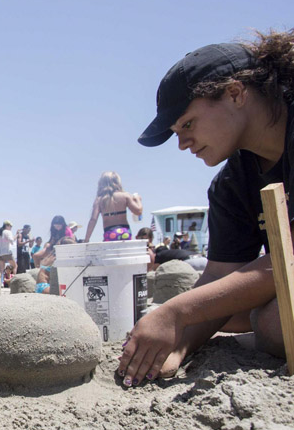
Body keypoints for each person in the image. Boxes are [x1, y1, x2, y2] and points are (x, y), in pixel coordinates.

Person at [119, 31, 294, 387]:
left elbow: (288, 261)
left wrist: (176, 311)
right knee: (228, 309)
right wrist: (178, 346)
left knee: (274, 320)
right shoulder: (233, 183)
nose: (182, 144)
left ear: (235, 93)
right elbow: (219, 277)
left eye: (187, 124)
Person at [82, 172, 144, 243]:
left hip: (110, 233)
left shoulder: (99, 199)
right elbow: (138, 211)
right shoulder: (125, 196)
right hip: (125, 232)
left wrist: (87, 239)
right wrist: (138, 199)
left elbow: (93, 220)